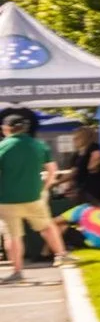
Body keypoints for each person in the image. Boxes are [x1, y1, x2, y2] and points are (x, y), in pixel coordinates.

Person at [0, 112, 69, 281]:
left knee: (13, 236)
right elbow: (52, 171)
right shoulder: (39, 145)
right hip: (34, 197)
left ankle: (17, 271)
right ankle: (61, 255)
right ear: (24, 128)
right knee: (47, 227)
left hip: (7, 199)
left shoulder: (2, 147)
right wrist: (44, 189)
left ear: (7, 129)